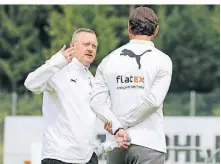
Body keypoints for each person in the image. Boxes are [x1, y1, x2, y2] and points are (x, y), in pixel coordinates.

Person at [90, 6, 172, 164]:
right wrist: (123, 124)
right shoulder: (163, 60)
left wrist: (117, 128)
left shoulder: (108, 60)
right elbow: (153, 102)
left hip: (117, 143)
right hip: (149, 143)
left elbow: (96, 102)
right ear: (156, 30)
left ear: (129, 28)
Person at [24, 28, 99, 164]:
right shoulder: (58, 69)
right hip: (59, 157)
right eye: (86, 44)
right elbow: (30, 83)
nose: (90, 49)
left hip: (87, 158)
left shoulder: (91, 78)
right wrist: (57, 60)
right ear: (72, 45)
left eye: (94, 46)